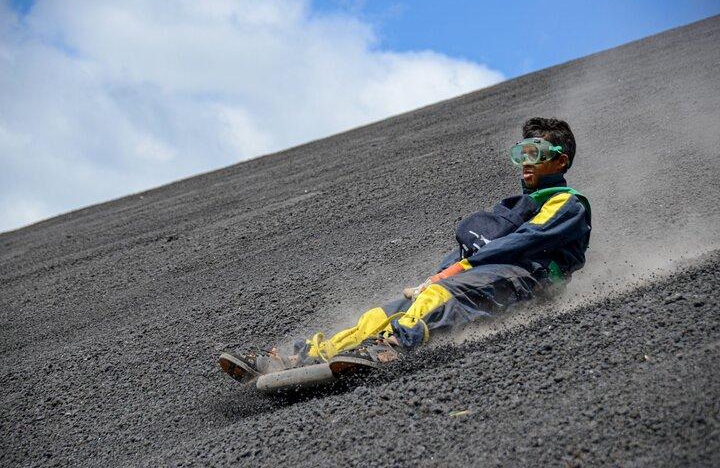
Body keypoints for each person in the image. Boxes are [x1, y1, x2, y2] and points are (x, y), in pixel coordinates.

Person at [219, 117, 591, 382]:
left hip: (530, 279)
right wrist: (436, 274)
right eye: (521, 152)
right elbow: (471, 249)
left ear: (560, 160)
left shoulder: (567, 202)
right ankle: (301, 357)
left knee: (443, 294)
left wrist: (451, 274)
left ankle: (395, 346)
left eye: (536, 152)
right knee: (384, 311)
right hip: (485, 274)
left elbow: (521, 243)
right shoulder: (509, 206)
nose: (526, 160)